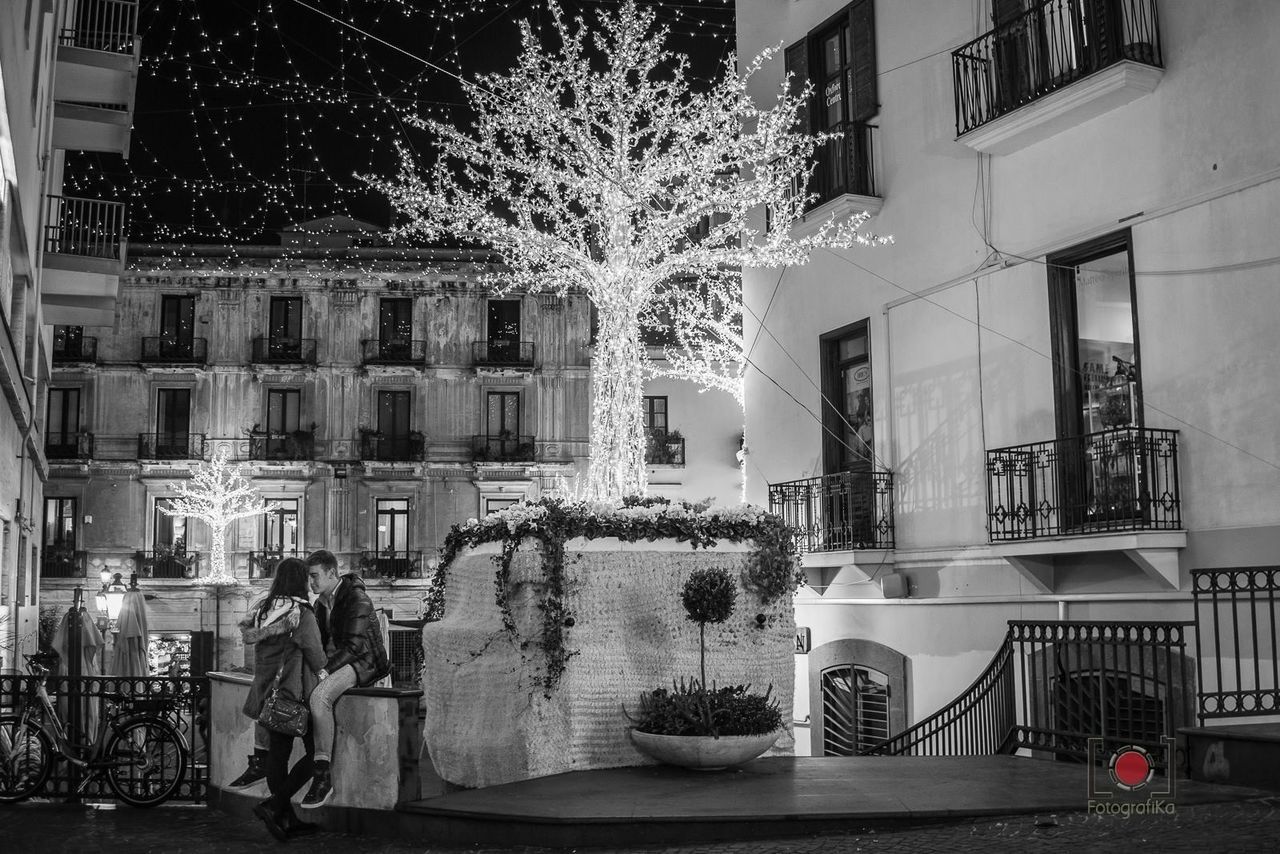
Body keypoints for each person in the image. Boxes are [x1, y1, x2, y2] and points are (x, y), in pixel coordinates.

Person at [240, 558, 327, 840]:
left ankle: (285, 818)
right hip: (292, 695)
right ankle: (275, 805)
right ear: (300, 581)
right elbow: (316, 657)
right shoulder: (300, 613)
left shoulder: (263, 609)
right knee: (318, 753)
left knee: (278, 756)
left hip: (267, 694)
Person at [300, 549, 388, 808]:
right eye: (309, 577)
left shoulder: (356, 599)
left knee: (320, 697)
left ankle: (322, 774)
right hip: (340, 660)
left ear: (331, 573)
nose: (312, 582)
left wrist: (323, 672)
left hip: (363, 662)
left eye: (315, 576)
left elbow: (353, 647)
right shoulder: (319, 604)